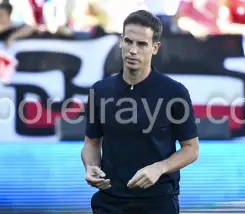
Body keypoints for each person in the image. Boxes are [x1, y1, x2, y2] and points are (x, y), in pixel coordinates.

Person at [81, 10, 200, 214]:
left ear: (155, 48)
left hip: (158, 201)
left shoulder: (174, 92)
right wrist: (90, 167)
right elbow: (91, 142)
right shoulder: (100, 91)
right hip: (109, 201)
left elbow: (191, 149)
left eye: (142, 44)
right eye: (128, 41)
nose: (132, 50)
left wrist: (159, 168)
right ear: (121, 42)